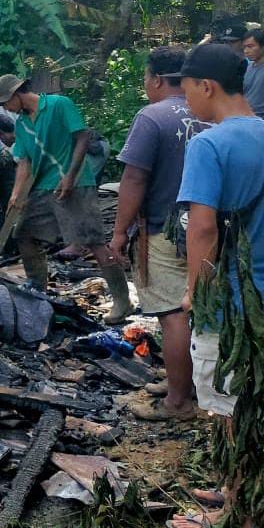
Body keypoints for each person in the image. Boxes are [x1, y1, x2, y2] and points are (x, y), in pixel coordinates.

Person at [166, 43, 264, 528]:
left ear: (206, 87)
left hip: (225, 304)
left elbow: (202, 227)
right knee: (257, 399)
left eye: (187, 92)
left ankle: (241, 517)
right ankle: (238, 490)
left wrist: (193, 291)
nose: (187, 103)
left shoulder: (209, 145)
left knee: (228, 406)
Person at [0, 74, 134, 321]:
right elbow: (25, 161)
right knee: (24, 234)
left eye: (5, 103)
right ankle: (37, 288)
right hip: (44, 187)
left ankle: (122, 301)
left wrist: (70, 175)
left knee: (93, 241)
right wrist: (16, 194)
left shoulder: (58, 104)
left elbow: (82, 137)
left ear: (15, 94)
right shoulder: (22, 124)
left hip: (76, 184)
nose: (6, 109)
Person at [108, 46, 203, 420]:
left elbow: (134, 177)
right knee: (199, 309)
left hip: (165, 228)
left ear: (157, 79)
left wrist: (119, 232)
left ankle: (178, 401)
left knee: (173, 313)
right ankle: (188, 381)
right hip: (207, 228)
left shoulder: (152, 116)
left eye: (146, 78)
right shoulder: (210, 113)